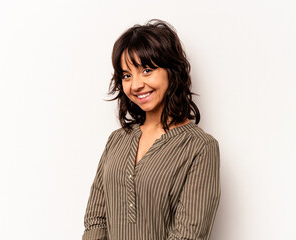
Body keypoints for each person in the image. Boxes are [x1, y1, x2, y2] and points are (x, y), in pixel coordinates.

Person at [82, 19, 220, 240]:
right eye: (127, 75)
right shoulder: (117, 140)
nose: (135, 84)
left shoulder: (200, 147)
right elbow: (96, 220)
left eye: (146, 70)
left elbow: (188, 235)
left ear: (171, 71)